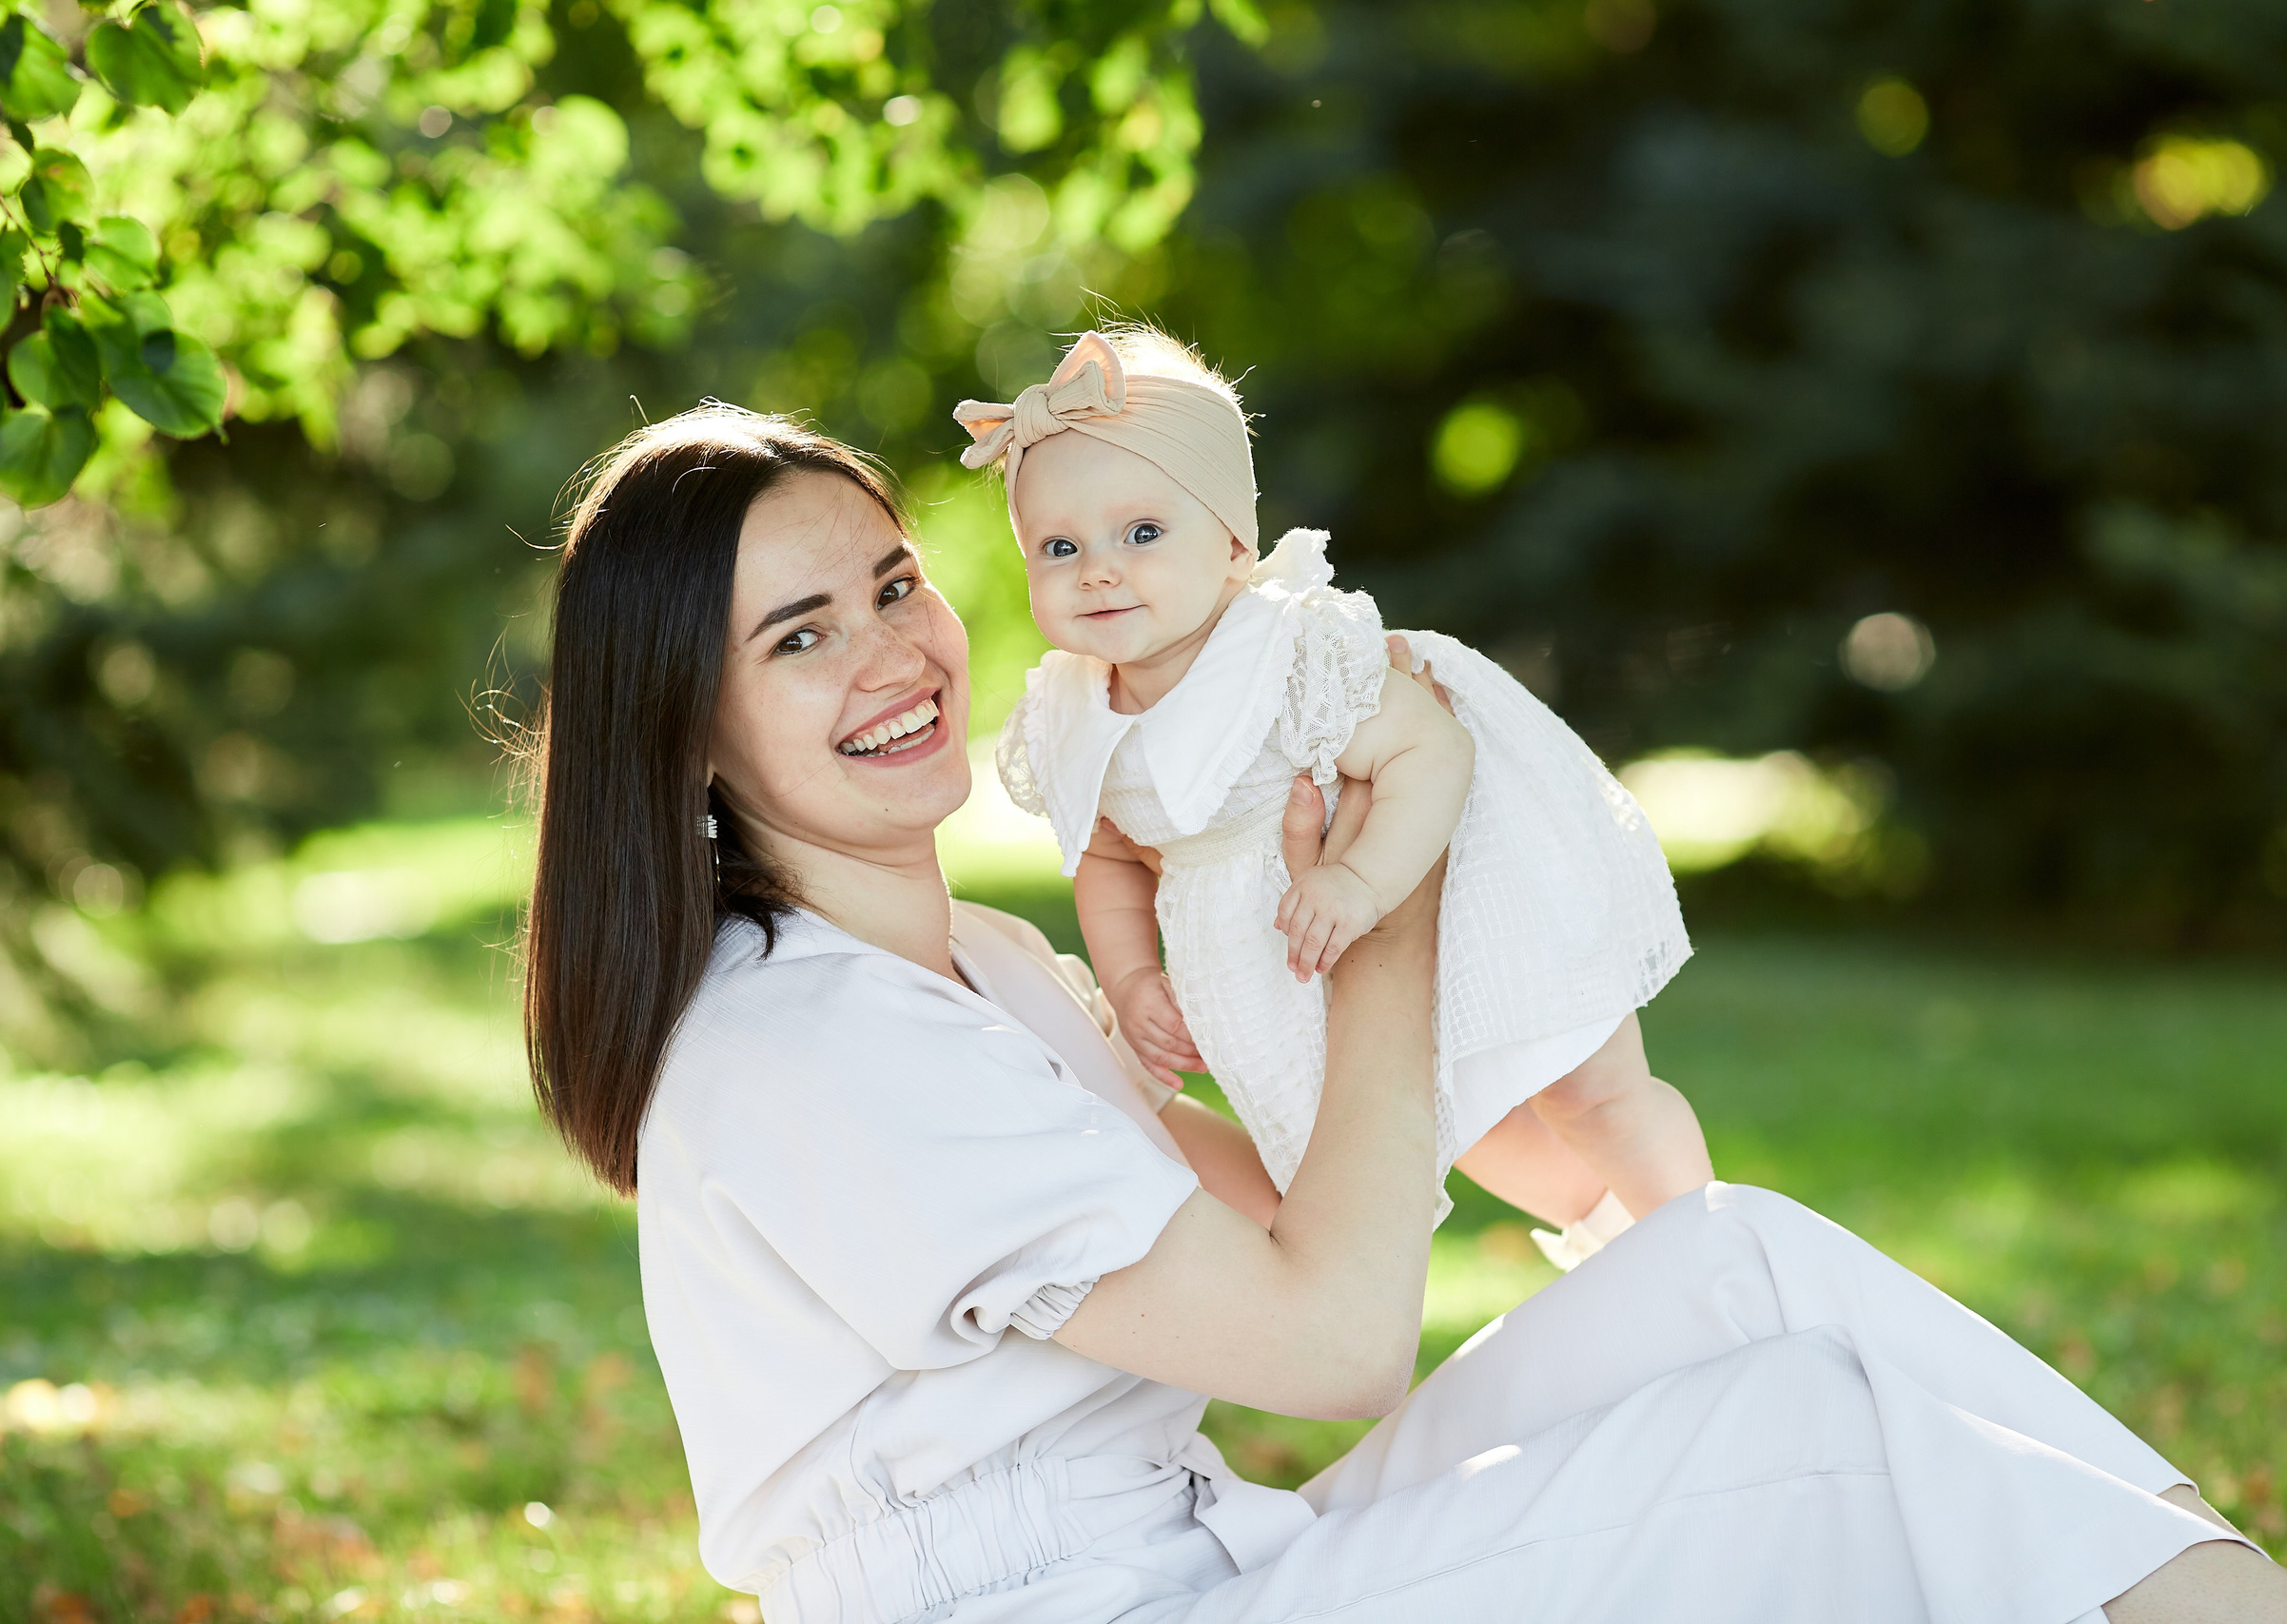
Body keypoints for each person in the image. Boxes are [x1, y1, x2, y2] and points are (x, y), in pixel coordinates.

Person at [519, 405, 2283, 1624]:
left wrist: (1485, 1009)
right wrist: (1394, 884)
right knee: (1807, 1426)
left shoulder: (980, 965)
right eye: (800, 638)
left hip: (1216, 1556)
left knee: (1737, 1267)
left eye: (894, 586)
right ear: (686, 727)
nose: (895, 655)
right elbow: (1338, 1341)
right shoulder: (812, 1046)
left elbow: (1295, 1204)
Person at [958, 326, 1701, 1257]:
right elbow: (1106, 855)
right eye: (1057, 546)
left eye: (1141, 533)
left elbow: (1430, 752)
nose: (1097, 567)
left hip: (1459, 870)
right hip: (1291, 958)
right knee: (1469, 1137)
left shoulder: (1290, 651)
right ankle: (1623, 1247)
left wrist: (1361, 885)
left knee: (1585, 1087)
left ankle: (1713, 1245)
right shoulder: (1073, 711)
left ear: (1234, 544)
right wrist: (1133, 974)